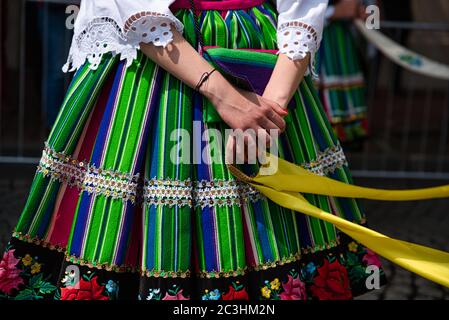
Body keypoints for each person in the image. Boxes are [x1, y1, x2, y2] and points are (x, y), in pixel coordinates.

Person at [0, 0, 385, 300]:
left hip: (261, 61)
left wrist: (270, 110)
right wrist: (229, 98)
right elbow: (139, 13)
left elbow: (302, 10)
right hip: (161, 66)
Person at [316, 0, 369, 148]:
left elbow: (373, 19)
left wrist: (367, 12)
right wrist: (333, 12)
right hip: (315, 43)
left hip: (343, 45)